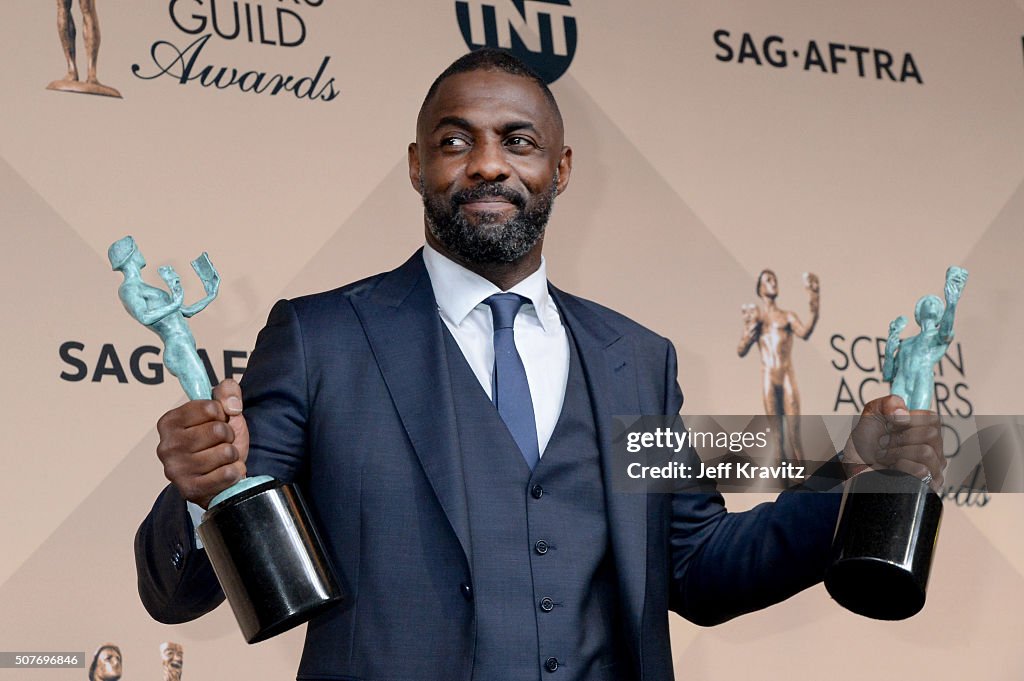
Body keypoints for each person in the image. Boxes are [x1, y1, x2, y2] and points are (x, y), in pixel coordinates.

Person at [135, 49, 945, 681]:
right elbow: (182, 589)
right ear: (418, 166)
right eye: (457, 141)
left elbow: (699, 566)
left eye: (518, 141)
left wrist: (849, 471)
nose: (488, 163)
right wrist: (201, 493)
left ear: (558, 171)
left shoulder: (636, 360)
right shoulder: (321, 339)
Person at [108, 237, 219, 400]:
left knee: (208, 402)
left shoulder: (145, 287)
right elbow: (144, 317)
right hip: (178, 347)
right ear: (130, 255)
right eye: (136, 249)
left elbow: (186, 311)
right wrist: (175, 302)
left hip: (184, 345)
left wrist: (211, 295)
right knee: (207, 406)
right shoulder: (128, 288)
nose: (140, 252)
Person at [737, 269, 819, 463]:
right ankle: (783, 492)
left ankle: (803, 490)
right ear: (760, 288)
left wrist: (815, 300)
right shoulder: (756, 319)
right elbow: (741, 349)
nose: (773, 282)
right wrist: (749, 334)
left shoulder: (787, 316)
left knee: (795, 438)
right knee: (777, 439)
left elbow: (805, 332)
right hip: (768, 378)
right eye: (768, 280)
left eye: (774, 279)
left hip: (786, 376)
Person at [883, 266, 968, 410]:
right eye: (927, 302)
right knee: (895, 425)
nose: (931, 303)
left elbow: (945, 331)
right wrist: (889, 354)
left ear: (941, 316)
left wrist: (951, 304)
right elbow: (887, 375)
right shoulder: (907, 343)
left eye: (936, 303)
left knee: (917, 425)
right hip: (901, 382)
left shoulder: (938, 337)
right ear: (919, 312)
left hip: (922, 380)